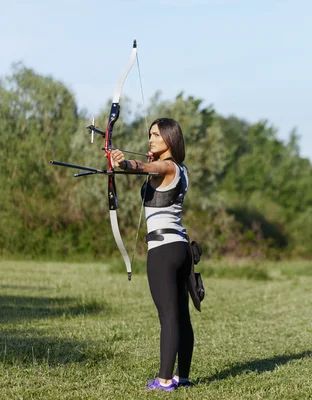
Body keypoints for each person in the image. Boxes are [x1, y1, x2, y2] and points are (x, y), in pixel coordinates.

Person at [110, 117, 193, 391]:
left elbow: (147, 167)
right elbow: (151, 171)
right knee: (181, 314)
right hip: (181, 248)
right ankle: (182, 376)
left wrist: (124, 164)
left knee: (168, 316)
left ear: (170, 138)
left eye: (156, 135)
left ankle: (165, 380)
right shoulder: (181, 169)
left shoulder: (166, 166)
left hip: (163, 251)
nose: (151, 139)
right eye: (150, 134)